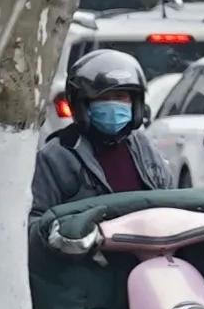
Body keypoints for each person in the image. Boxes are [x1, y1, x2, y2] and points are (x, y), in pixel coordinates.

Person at [35, 46, 169, 204]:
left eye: (120, 97)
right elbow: (38, 217)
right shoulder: (57, 156)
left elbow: (170, 199)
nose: (113, 104)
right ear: (82, 105)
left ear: (135, 104)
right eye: (103, 98)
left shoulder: (143, 146)